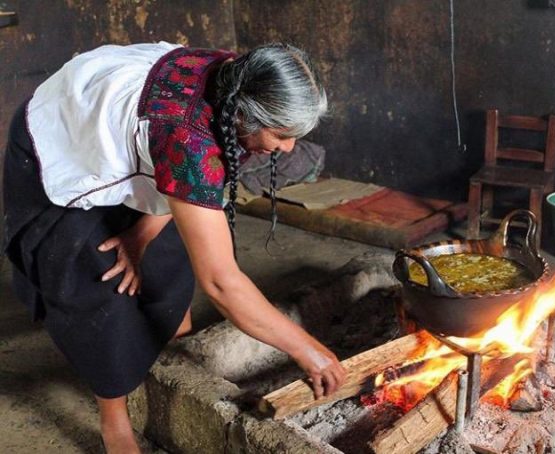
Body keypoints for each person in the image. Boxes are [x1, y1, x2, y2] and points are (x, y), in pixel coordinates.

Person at [3, 41, 346, 453]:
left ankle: (157, 360)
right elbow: (221, 283)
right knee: (98, 282)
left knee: (167, 260)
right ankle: (115, 421)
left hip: (140, 132)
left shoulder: (237, 81)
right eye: (282, 135)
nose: (287, 148)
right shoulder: (188, 139)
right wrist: (307, 349)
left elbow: (179, 173)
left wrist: (140, 234)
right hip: (62, 139)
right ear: (247, 116)